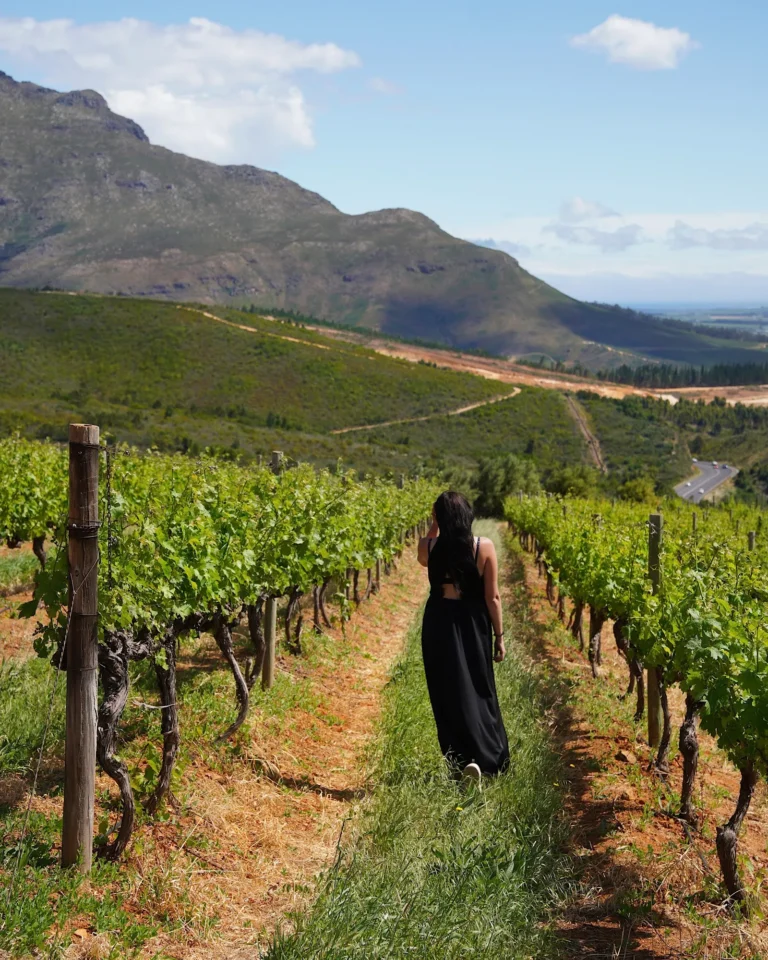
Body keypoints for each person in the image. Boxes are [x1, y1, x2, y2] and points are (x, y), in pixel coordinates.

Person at [418, 491, 510, 786]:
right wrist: (499, 636)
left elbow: (423, 556)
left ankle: (459, 760)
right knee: (479, 688)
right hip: (472, 623)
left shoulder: (429, 545)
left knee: (446, 691)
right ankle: (484, 759)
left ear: (440, 517)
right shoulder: (483, 547)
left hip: (438, 623)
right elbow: (492, 597)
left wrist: (435, 524)